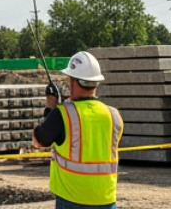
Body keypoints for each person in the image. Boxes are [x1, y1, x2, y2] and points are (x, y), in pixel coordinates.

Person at [31, 52, 122, 209]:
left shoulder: (62, 114)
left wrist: (50, 109)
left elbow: (38, 141)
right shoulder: (114, 115)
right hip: (106, 199)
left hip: (71, 199)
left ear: (73, 81)